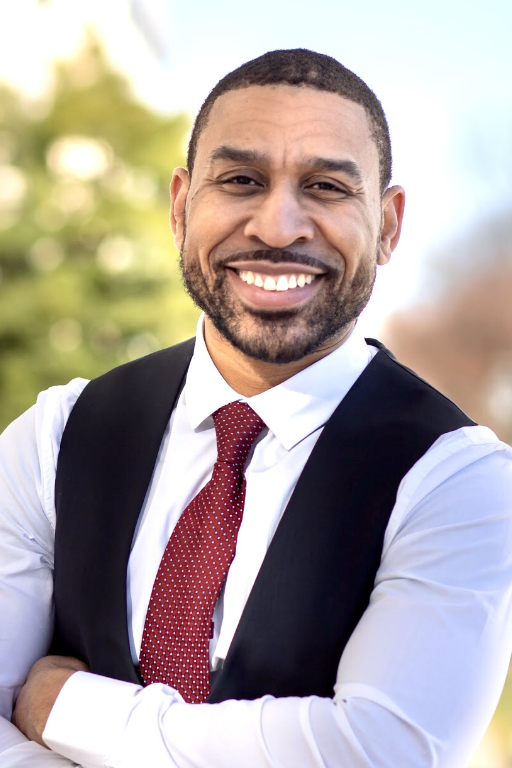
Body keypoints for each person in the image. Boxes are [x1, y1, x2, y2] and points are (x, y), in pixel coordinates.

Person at [1, 48, 512, 768]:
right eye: (241, 180)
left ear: (389, 226)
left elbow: (382, 751)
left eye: (326, 187)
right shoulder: (56, 436)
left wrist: (69, 709)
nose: (277, 227)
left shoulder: (459, 480)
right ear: (181, 207)